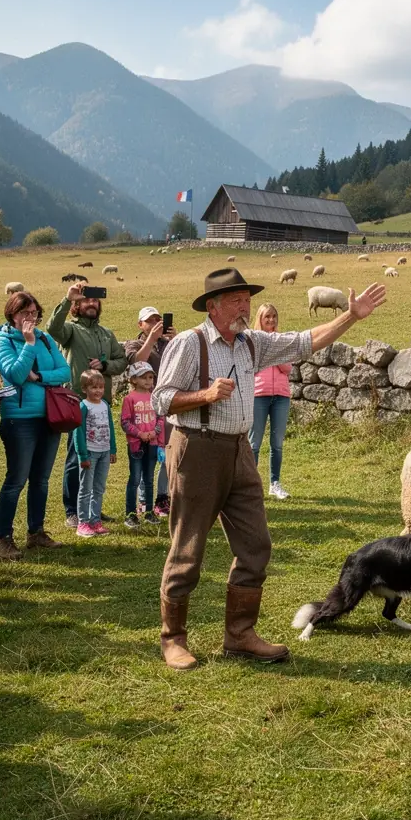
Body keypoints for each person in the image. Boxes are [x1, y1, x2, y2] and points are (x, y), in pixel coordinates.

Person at [152, 267, 386, 670]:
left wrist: (351, 316)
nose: (245, 306)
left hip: (240, 452)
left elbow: (304, 342)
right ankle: (173, 638)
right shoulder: (190, 344)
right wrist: (205, 395)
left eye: (247, 299)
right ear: (213, 306)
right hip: (197, 451)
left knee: (256, 545)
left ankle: (239, 636)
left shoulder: (251, 343)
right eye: (236, 300)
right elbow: (160, 400)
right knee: (188, 548)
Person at [0, 290, 71, 559]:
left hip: (49, 417)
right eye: (25, 313)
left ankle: (35, 532)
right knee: (16, 479)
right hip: (19, 420)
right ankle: (3, 538)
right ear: (12, 314)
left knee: (41, 480)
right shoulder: (2, 341)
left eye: (35, 313)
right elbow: (14, 374)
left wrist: (38, 377)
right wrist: (27, 343)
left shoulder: (46, 339)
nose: (31, 318)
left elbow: (65, 371)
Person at [47, 283, 127, 529]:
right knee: (77, 457)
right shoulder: (70, 330)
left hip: (102, 405)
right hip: (76, 405)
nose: (91, 304)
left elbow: (121, 360)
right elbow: (52, 328)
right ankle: (73, 510)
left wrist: (104, 367)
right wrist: (66, 298)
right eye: (86, 301)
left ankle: (92, 511)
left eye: (95, 301)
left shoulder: (106, 333)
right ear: (77, 306)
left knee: (99, 457)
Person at [124, 306, 176, 516]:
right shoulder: (134, 343)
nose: (155, 323)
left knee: (167, 451)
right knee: (143, 458)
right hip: (143, 408)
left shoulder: (168, 343)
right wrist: (152, 339)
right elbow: (137, 362)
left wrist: (176, 341)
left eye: (158, 319)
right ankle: (142, 502)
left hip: (168, 405)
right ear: (141, 324)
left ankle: (162, 497)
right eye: (150, 320)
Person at [249, 303, 292, 501]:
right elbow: (253, 367)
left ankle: (275, 484)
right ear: (260, 318)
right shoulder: (252, 341)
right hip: (259, 395)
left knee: (277, 443)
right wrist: (273, 355)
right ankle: (250, 484)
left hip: (281, 396)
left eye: (274, 316)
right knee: (254, 443)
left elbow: (287, 367)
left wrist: (274, 352)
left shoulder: (282, 340)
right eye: (267, 317)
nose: (271, 320)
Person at [73, 369, 117, 537]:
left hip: (104, 452)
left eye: (100, 387)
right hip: (90, 453)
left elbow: (110, 427)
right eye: (93, 387)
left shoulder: (105, 405)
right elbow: (79, 432)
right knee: (86, 489)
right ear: (84, 389)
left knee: (99, 488)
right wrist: (82, 455)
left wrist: (112, 448)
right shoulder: (83, 406)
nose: (98, 391)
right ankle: (82, 523)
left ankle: (95, 520)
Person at [121, 361, 163, 529]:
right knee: (135, 479)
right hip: (136, 445)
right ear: (133, 380)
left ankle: (149, 511)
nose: (147, 381)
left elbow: (160, 417)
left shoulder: (154, 397)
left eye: (150, 377)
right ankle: (131, 513)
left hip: (152, 442)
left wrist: (155, 432)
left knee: (149, 478)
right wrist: (139, 434)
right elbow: (124, 422)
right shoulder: (129, 399)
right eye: (143, 377)